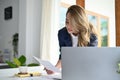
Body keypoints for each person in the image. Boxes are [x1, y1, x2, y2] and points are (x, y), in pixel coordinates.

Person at [46, 5, 98, 74]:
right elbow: (63, 55)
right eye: (67, 22)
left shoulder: (91, 36)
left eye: (73, 23)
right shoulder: (62, 33)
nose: (68, 26)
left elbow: (91, 60)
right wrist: (54, 69)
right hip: (70, 72)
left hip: (86, 72)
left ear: (80, 23)